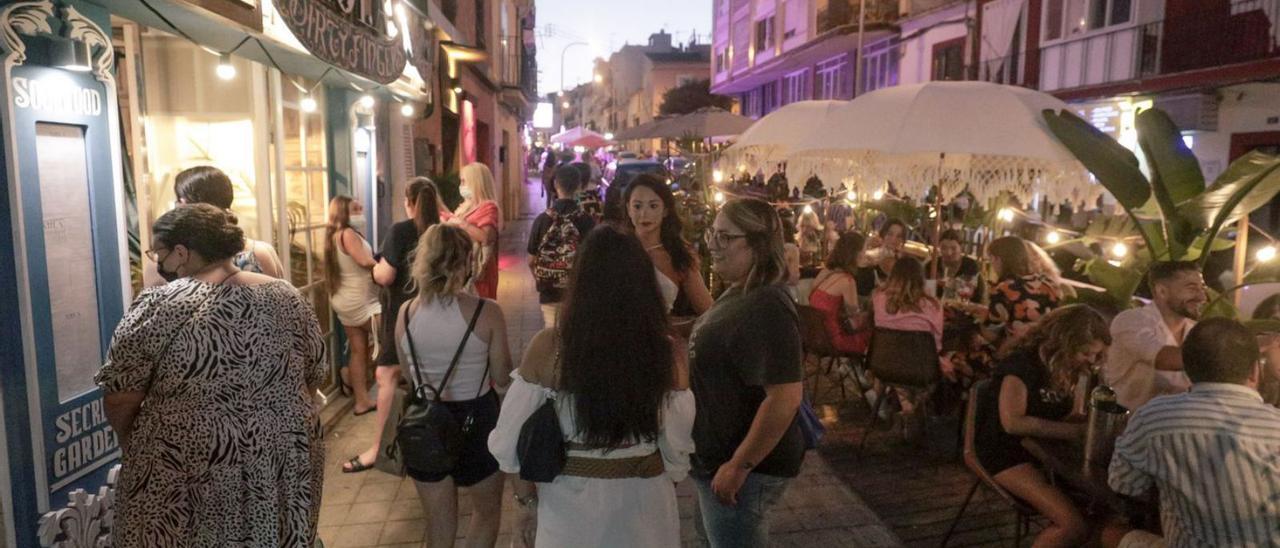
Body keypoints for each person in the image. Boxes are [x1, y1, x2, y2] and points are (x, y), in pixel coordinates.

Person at [98, 204, 325, 545]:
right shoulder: (287, 296)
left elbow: (120, 395)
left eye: (158, 252)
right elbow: (314, 372)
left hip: (186, 460)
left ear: (181, 252)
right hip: (282, 454)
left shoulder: (158, 305)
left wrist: (135, 442)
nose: (157, 262)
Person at [489, 225, 695, 548]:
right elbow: (676, 450)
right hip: (645, 505)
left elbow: (509, 442)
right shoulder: (668, 353)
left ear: (580, 282)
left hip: (569, 511)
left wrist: (526, 503)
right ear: (644, 284)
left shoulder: (549, 348)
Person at [1107, 318, 1280, 548]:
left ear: (1187, 369)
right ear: (1254, 370)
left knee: (1110, 532)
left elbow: (1123, 484)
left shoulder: (1154, 416)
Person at [691, 197, 804, 547]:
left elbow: (785, 395)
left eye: (725, 237)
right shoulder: (742, 291)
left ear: (757, 244)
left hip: (744, 468)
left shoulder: (767, 303)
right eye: (713, 233)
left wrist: (739, 466)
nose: (712, 244)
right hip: (718, 458)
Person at [398, 224, 512, 548]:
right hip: (477, 420)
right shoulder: (487, 312)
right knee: (486, 512)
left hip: (425, 424)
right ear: (466, 262)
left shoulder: (405, 313)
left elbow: (409, 376)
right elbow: (503, 376)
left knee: (438, 526)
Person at [974, 305, 1110, 548]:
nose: (1090, 360)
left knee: (1103, 514)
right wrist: (1074, 432)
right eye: (1085, 353)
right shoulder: (1022, 364)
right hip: (1004, 450)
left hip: (1042, 448)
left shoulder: (1067, 368)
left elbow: (1070, 415)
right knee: (1072, 526)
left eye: (1095, 355)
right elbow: (1012, 422)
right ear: (1063, 343)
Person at [343, 177, 441, 473]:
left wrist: (375, 270)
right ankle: (435, 440)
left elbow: (385, 276)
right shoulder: (443, 231)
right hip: (439, 312)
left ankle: (379, 448)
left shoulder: (400, 231)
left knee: (387, 375)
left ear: (409, 202)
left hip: (403, 315)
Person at [144, 165, 284, 284]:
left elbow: (151, 309)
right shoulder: (261, 252)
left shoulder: (168, 261)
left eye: (177, 201)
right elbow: (282, 306)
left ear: (184, 204)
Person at [1103, 261, 1206, 411]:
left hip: (1175, 424)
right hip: (1128, 426)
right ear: (1161, 291)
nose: (1202, 297)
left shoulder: (1195, 330)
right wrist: (1223, 355)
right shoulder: (1132, 320)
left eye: (1202, 288)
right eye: (1192, 288)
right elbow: (1164, 359)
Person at [870, 257, 945, 439]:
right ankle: (913, 409)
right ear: (921, 279)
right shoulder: (933, 305)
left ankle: (905, 407)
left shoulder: (878, 298)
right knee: (945, 367)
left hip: (884, 365)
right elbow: (936, 344)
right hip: (921, 368)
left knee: (900, 364)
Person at [625, 173, 714, 316]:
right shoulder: (617, 250)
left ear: (665, 210)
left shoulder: (677, 255)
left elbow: (708, 311)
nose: (644, 214)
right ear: (628, 209)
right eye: (637, 206)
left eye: (653, 206)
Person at [325, 196, 381, 415]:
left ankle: (361, 400)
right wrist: (387, 265)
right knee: (393, 337)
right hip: (362, 302)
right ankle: (389, 389)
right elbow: (364, 261)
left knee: (358, 350)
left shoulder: (333, 236)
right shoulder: (347, 234)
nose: (361, 211)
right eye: (355, 209)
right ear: (343, 213)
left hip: (345, 300)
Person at [528, 164, 596, 328]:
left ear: (556, 185)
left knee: (552, 335)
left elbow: (531, 260)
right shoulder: (586, 221)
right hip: (578, 292)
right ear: (579, 186)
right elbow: (593, 260)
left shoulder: (542, 220)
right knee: (575, 335)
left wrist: (542, 279)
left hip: (549, 293)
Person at [982, 236, 1061, 345]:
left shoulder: (1004, 289)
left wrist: (972, 322)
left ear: (998, 259)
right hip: (1043, 351)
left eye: (991, 260)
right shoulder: (1049, 285)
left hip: (1013, 352)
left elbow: (991, 333)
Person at [444, 162, 502, 300]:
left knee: (479, 311)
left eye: (464, 181)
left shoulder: (489, 207)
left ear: (476, 182)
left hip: (480, 271)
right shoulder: (465, 206)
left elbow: (486, 237)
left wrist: (461, 224)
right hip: (462, 267)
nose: (461, 186)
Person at [809, 231, 870, 354]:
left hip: (815, 336)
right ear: (856, 254)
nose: (865, 254)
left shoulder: (825, 272)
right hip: (834, 340)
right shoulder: (847, 281)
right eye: (864, 250)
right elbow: (855, 320)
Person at [856, 218, 909, 296]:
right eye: (890, 234)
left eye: (899, 236)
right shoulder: (870, 256)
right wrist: (866, 243)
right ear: (883, 234)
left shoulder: (903, 261)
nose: (894, 239)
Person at [932, 229, 983, 303]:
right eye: (943, 248)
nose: (948, 252)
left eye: (953, 248)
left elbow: (971, 290)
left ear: (961, 247)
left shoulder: (970, 265)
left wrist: (950, 283)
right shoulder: (932, 264)